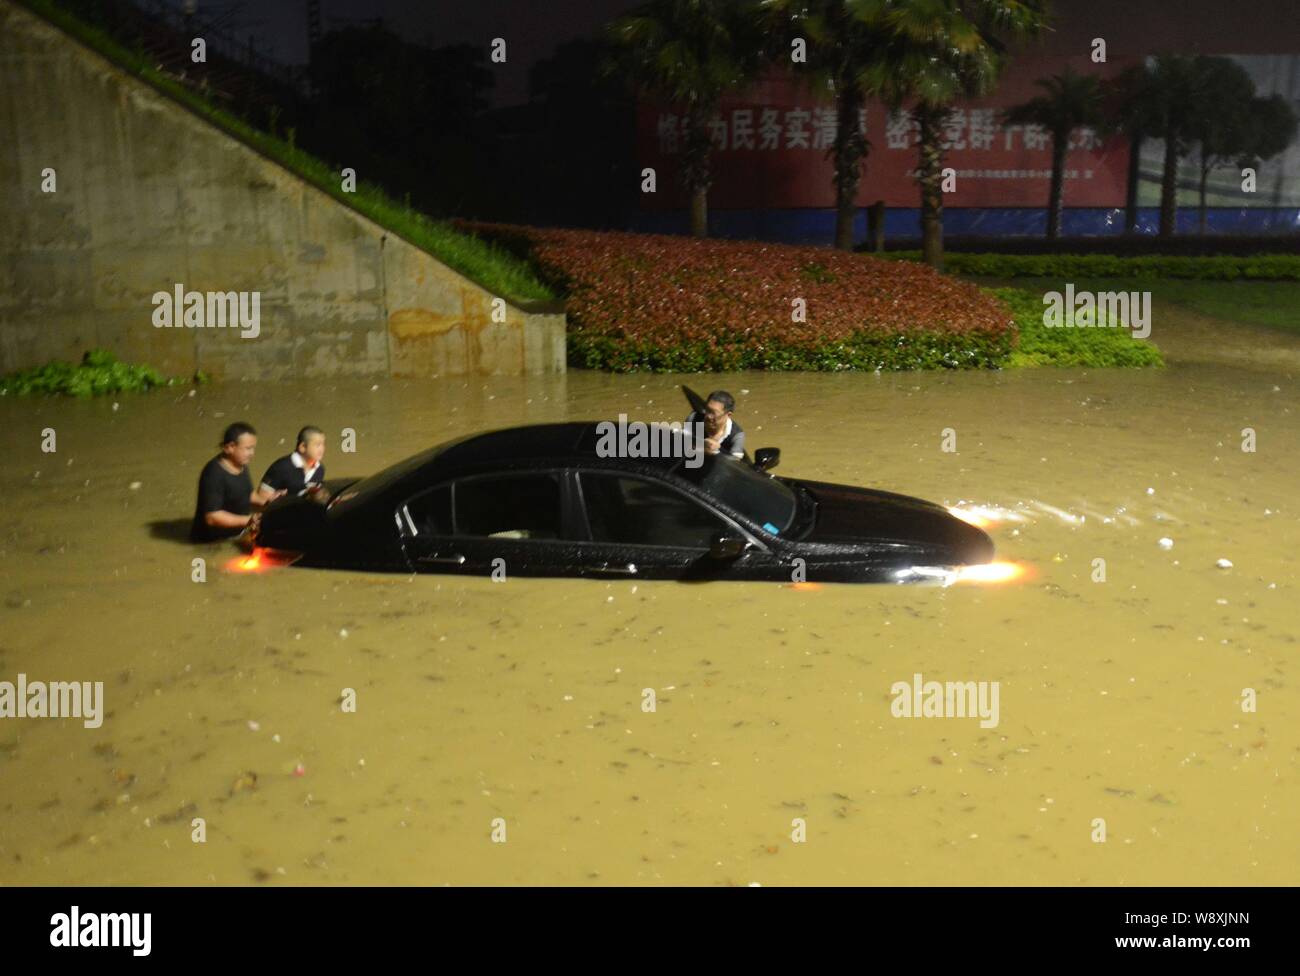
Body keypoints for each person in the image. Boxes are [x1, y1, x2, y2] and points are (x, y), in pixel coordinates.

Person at [190, 422, 283, 543]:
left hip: (239, 533)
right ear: (230, 447)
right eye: (248, 448)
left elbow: (247, 494)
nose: (252, 453)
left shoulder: (241, 465)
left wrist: (268, 502)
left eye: (253, 448)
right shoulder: (213, 474)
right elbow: (212, 517)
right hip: (212, 542)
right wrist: (249, 520)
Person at [259, 426, 326, 498]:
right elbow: (262, 497)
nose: (322, 449)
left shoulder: (320, 469)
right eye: (318, 445)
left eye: (323, 444)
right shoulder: (282, 467)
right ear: (302, 447)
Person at [685, 390, 746, 460]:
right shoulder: (694, 419)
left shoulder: (737, 435)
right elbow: (681, 445)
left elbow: (736, 463)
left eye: (714, 413)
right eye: (707, 410)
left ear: (728, 415)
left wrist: (715, 453)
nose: (708, 416)